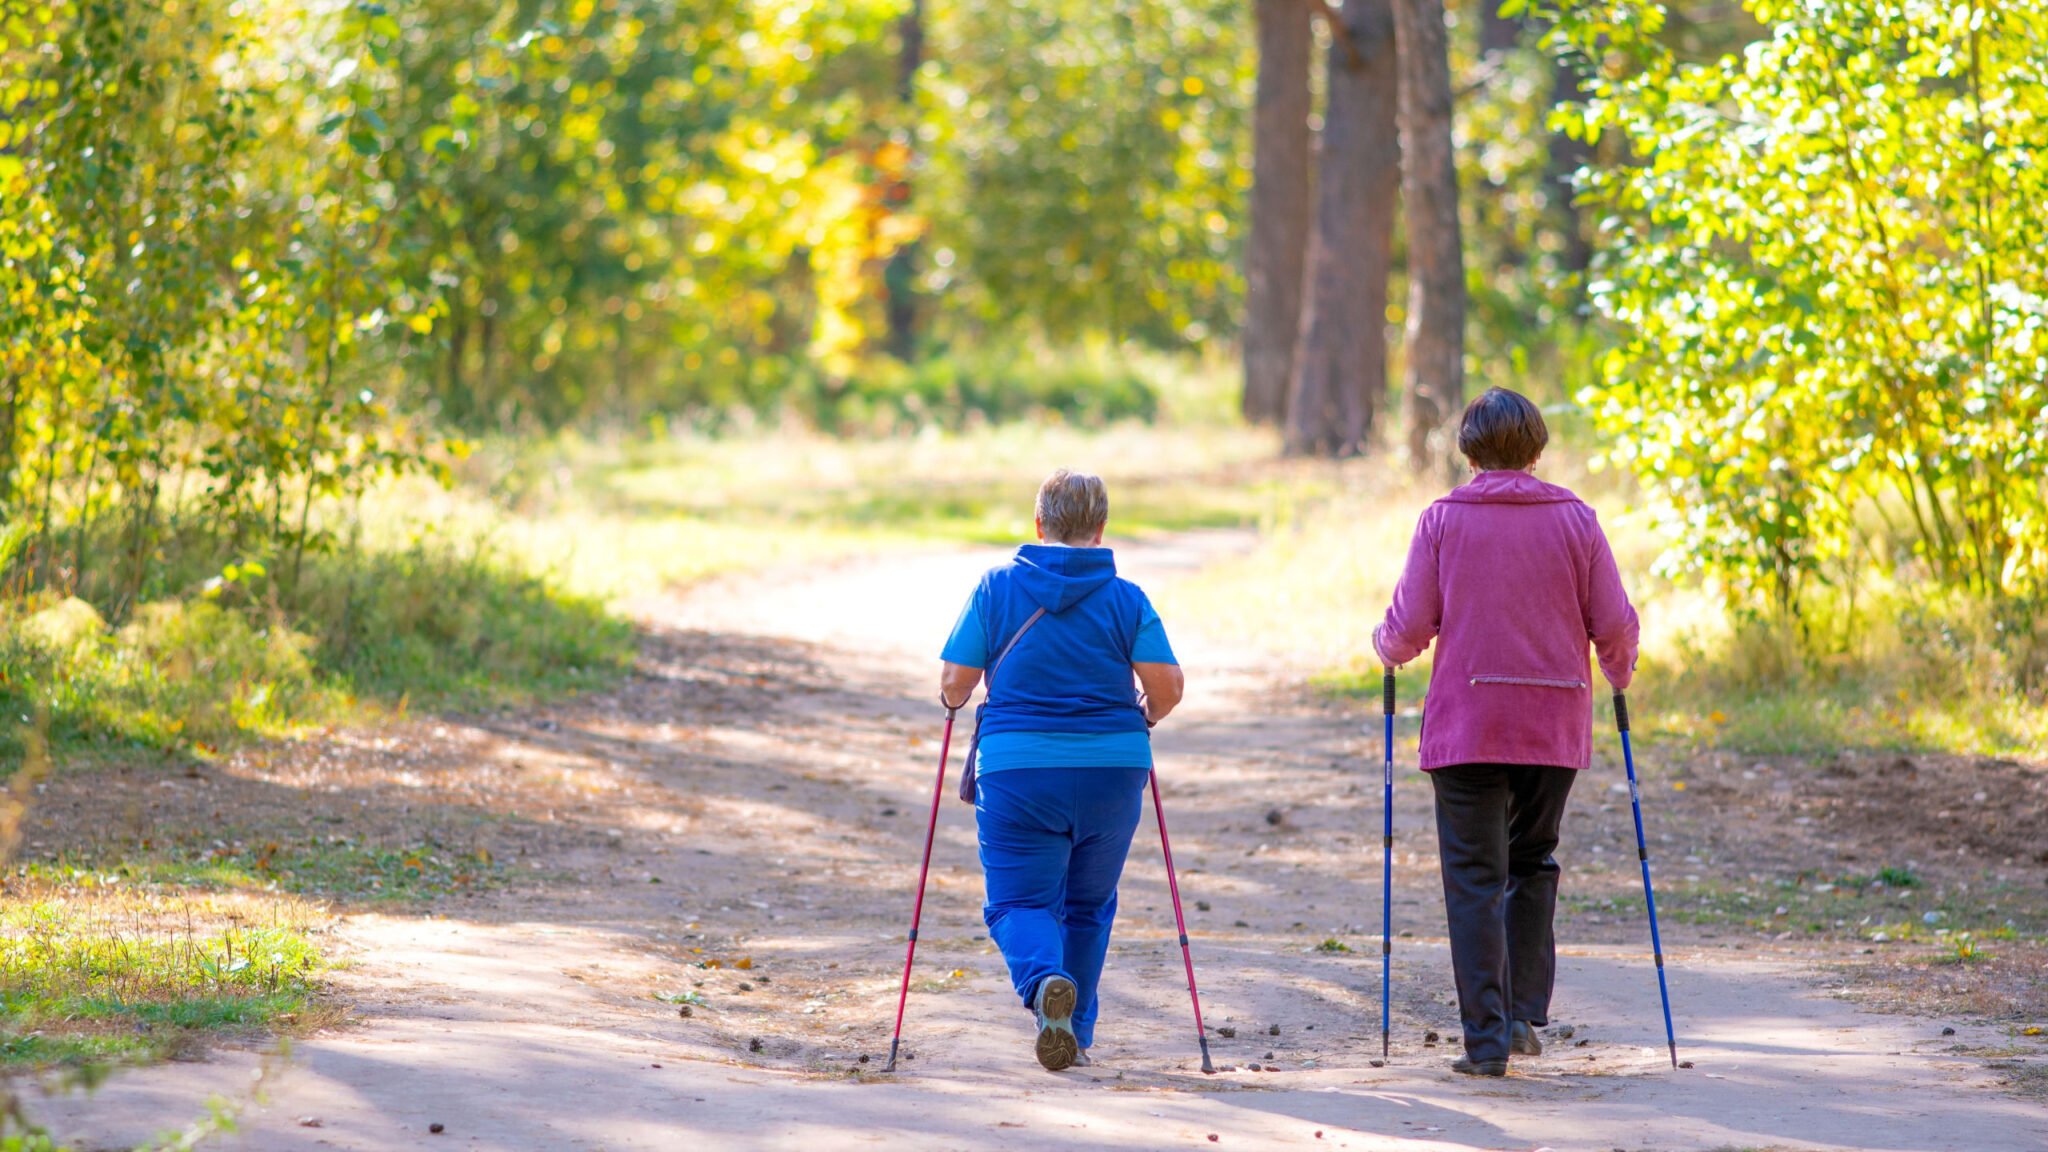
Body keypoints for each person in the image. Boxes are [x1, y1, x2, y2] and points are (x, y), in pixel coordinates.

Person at [1372, 387, 1640, 1077]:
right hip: (1552, 723)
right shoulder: (1576, 519)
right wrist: (1618, 672)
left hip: (1467, 725)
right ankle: (1522, 1016)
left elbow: (1408, 627)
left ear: (1469, 450)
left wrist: (1385, 647)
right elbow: (1612, 621)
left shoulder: (1442, 520)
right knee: (1532, 861)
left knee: (1474, 879)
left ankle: (1486, 1041)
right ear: (1537, 447)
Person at [938, 468, 1184, 1072]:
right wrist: (1144, 719)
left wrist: (955, 702)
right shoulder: (1127, 598)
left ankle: (1046, 981)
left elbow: (954, 683)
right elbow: (1168, 687)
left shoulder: (996, 588)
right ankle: (1075, 1029)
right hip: (1112, 769)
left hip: (1018, 770)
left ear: (1039, 524)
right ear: (1100, 530)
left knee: (1017, 904)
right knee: (1089, 904)